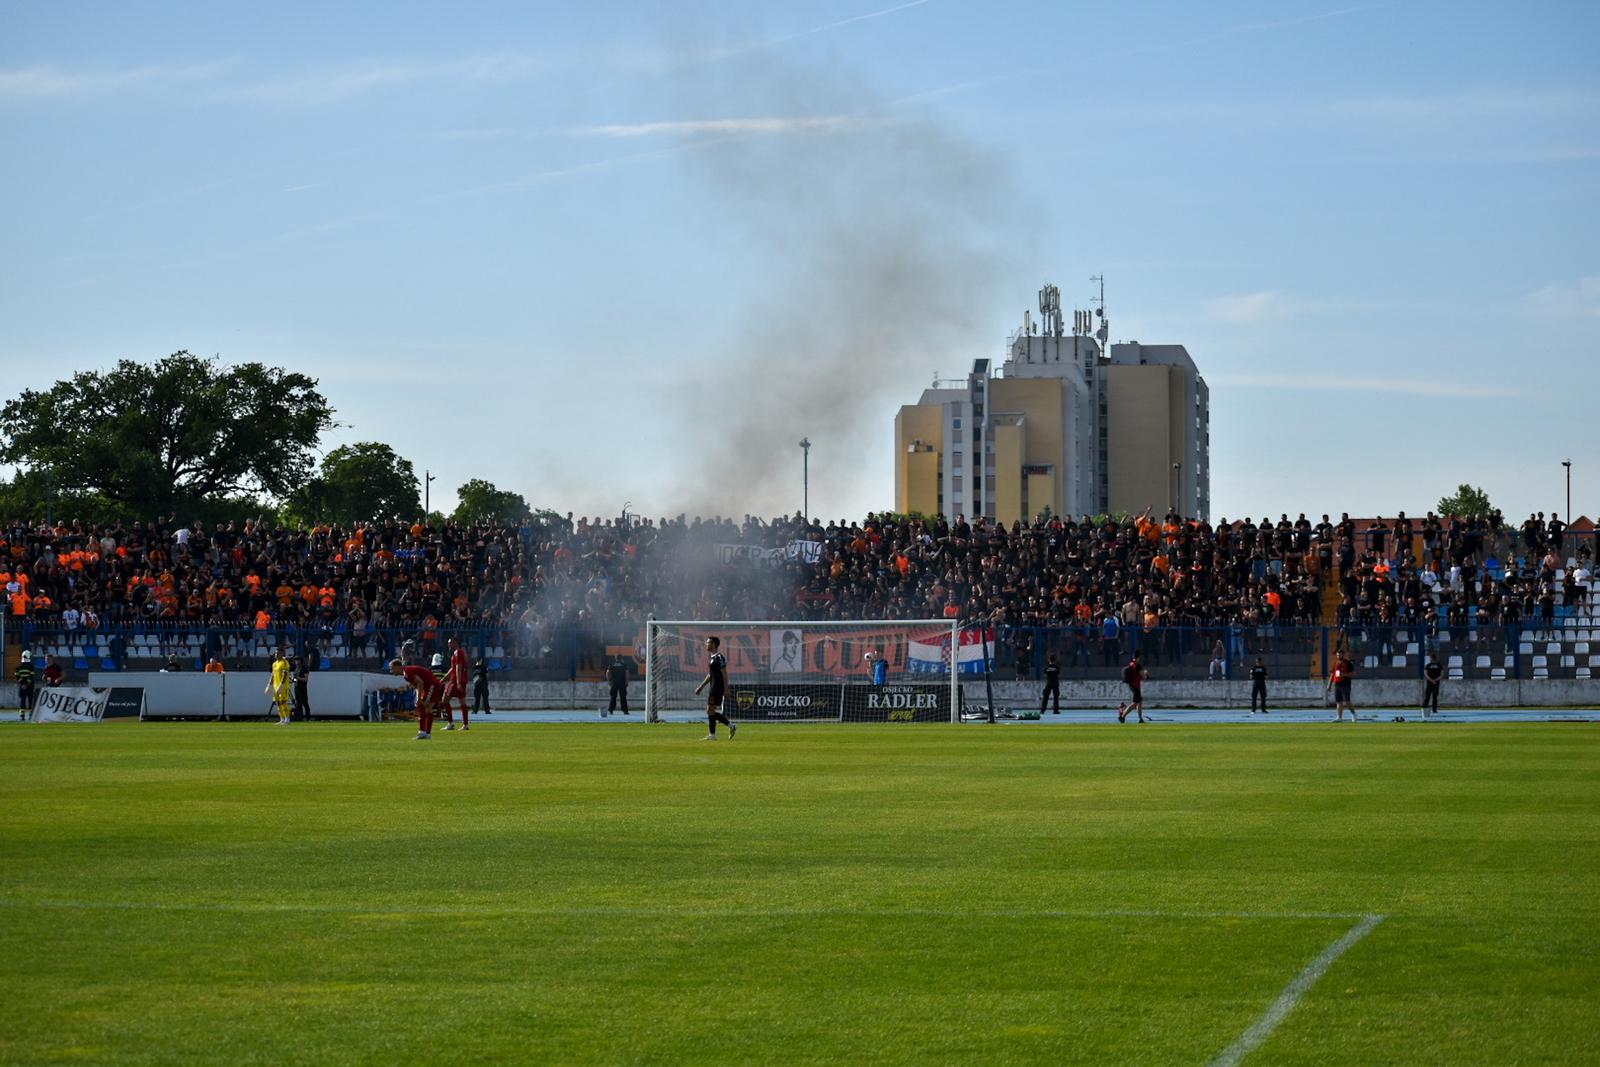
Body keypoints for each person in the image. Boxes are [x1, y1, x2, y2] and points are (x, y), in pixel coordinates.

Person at [692, 635, 736, 740]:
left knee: (710, 710)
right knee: (710, 710)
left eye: (708, 643)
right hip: (713, 687)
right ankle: (729, 726)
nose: (706, 644)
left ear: (714, 644)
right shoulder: (712, 658)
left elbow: (724, 674)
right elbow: (710, 675)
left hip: (717, 688)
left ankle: (714, 734)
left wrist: (726, 688)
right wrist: (701, 686)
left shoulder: (719, 657)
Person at [391, 657, 443, 741]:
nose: (391, 671)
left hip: (431, 685)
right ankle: (427, 733)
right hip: (432, 685)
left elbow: (420, 683)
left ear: (397, 667)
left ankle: (422, 732)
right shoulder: (406, 674)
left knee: (422, 706)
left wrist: (419, 698)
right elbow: (417, 684)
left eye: (392, 669)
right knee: (427, 709)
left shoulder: (407, 672)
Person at [439, 637, 470, 731]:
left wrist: (458, 682)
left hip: (456, 681)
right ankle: (465, 724)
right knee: (462, 701)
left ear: (456, 643)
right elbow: (453, 668)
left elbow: (458, 668)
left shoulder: (457, 652)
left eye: (450, 643)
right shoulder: (460, 652)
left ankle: (450, 723)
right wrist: (444, 679)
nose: (449, 645)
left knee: (444, 700)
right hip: (461, 680)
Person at [1326, 649, 1358, 722]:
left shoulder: (1348, 663)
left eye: (1339, 654)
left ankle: (1354, 714)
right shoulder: (1336, 663)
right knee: (1338, 701)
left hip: (1345, 684)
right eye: (1337, 655)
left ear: (1343, 654)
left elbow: (1353, 674)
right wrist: (1329, 684)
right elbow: (1332, 674)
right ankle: (1339, 717)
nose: (1338, 656)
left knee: (1347, 701)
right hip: (1337, 684)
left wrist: (1344, 674)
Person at [1116, 653, 1147, 724]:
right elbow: (1143, 676)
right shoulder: (1137, 665)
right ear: (1138, 657)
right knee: (1135, 703)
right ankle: (1122, 716)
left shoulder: (1131, 664)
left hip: (1132, 684)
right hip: (1136, 685)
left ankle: (1140, 719)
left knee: (1139, 702)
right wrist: (1145, 674)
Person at [267, 648, 292, 726]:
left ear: (282, 653)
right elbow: (273, 675)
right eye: (275, 653)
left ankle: (287, 719)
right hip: (275, 686)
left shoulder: (285, 662)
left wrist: (281, 685)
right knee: (278, 703)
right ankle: (282, 719)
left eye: (278, 653)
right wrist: (269, 685)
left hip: (283, 686)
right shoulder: (274, 664)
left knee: (283, 702)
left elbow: (285, 674)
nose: (276, 655)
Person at [15, 649, 34, 721]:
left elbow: (17, 677)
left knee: (22, 701)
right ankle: (30, 714)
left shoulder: (18, 667)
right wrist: (27, 684)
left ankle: (22, 715)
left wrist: (22, 684)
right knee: (30, 700)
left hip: (22, 687)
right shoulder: (31, 667)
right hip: (30, 687)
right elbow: (31, 676)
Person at [1422, 654, 1443, 718]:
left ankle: (1424, 708)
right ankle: (1434, 709)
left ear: (1431, 658)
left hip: (1429, 683)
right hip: (1436, 683)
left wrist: (1431, 680)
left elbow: (1425, 674)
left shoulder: (1428, 665)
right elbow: (1441, 675)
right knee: (1435, 696)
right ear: (1436, 658)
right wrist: (1435, 680)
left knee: (1427, 696)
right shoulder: (1439, 665)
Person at [292, 657, 311, 722]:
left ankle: (308, 717)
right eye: (295, 660)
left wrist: (298, 678)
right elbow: (295, 678)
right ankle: (300, 717)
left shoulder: (304, 669)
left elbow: (306, 679)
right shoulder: (296, 669)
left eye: (297, 660)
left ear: (300, 661)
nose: (296, 661)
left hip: (302, 688)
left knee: (305, 703)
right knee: (298, 703)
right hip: (296, 687)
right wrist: (293, 680)